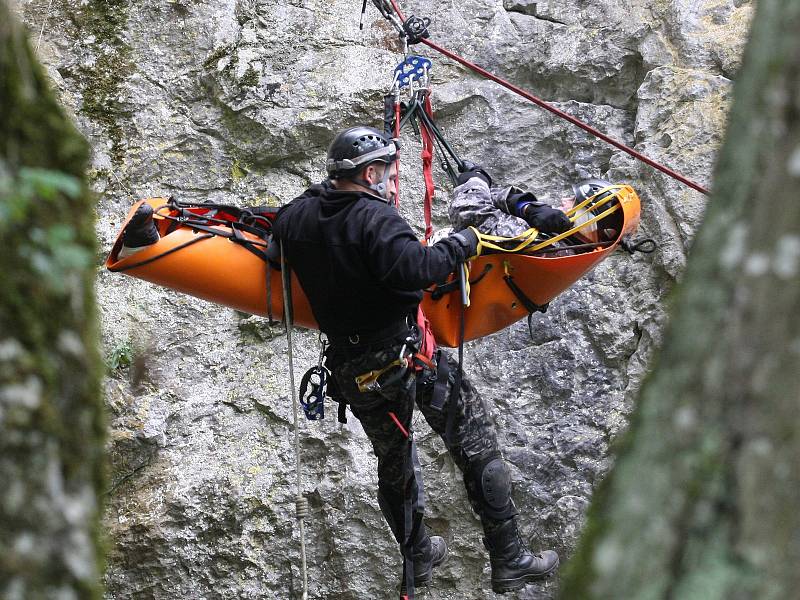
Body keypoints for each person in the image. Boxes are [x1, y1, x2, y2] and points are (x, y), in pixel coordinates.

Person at [269, 126, 560, 595]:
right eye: (385, 173)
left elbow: (279, 227)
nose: (389, 182)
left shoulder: (298, 217)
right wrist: (465, 241)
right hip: (407, 357)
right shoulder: (375, 219)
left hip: (354, 370)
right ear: (369, 172)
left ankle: (418, 555)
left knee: (394, 462)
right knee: (475, 441)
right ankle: (508, 557)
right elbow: (417, 269)